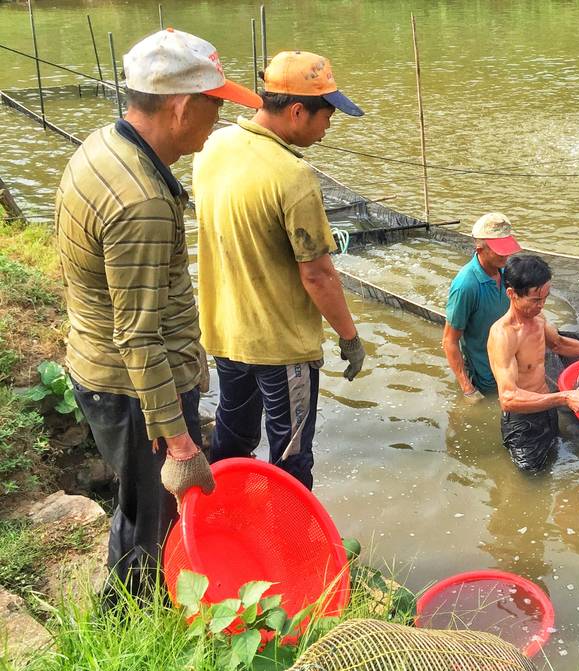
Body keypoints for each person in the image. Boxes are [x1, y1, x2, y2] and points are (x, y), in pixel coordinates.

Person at [55, 28, 262, 596]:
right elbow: (139, 339)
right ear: (180, 107)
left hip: (96, 363)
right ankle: (132, 625)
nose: (218, 119)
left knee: (137, 507)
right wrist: (180, 442)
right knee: (149, 523)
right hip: (134, 392)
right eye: (214, 105)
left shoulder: (103, 145)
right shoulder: (141, 200)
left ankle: (134, 605)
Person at [192, 50, 367, 490]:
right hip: (282, 348)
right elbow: (318, 274)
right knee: (291, 454)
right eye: (327, 115)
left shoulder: (214, 145)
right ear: (296, 111)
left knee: (233, 436)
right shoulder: (294, 176)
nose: (329, 127)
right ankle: (289, 546)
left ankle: (221, 519)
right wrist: (350, 338)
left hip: (225, 333)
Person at [487, 254, 579, 471]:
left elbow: (559, 344)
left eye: (545, 298)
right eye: (535, 300)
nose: (541, 306)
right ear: (512, 294)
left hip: (547, 409)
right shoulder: (503, 335)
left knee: (552, 459)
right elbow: (508, 398)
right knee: (531, 479)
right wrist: (564, 397)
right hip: (523, 422)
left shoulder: (538, 319)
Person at [443, 213, 522, 402]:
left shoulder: (505, 271)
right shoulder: (466, 286)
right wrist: (467, 389)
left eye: (507, 249)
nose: (506, 255)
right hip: (485, 377)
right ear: (480, 249)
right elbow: (449, 341)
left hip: (511, 365)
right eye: (499, 250)